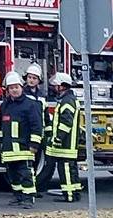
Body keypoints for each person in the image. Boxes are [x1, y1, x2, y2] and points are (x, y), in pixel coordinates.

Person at [0, 78, 43, 208]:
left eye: (16, 87)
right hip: (9, 149)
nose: (14, 90)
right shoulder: (5, 105)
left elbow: (37, 126)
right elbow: (1, 124)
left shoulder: (30, 105)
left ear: (22, 87)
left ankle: (28, 198)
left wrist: (34, 144)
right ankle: (18, 196)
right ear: (8, 90)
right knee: (12, 174)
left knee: (26, 174)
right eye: (11, 88)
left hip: (24, 148)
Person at [39, 72, 82, 203]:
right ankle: (74, 193)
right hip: (69, 144)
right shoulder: (69, 99)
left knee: (66, 169)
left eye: (56, 85)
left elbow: (66, 123)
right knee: (71, 169)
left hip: (65, 144)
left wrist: (58, 138)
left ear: (63, 86)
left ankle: (69, 195)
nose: (54, 87)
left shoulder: (67, 101)